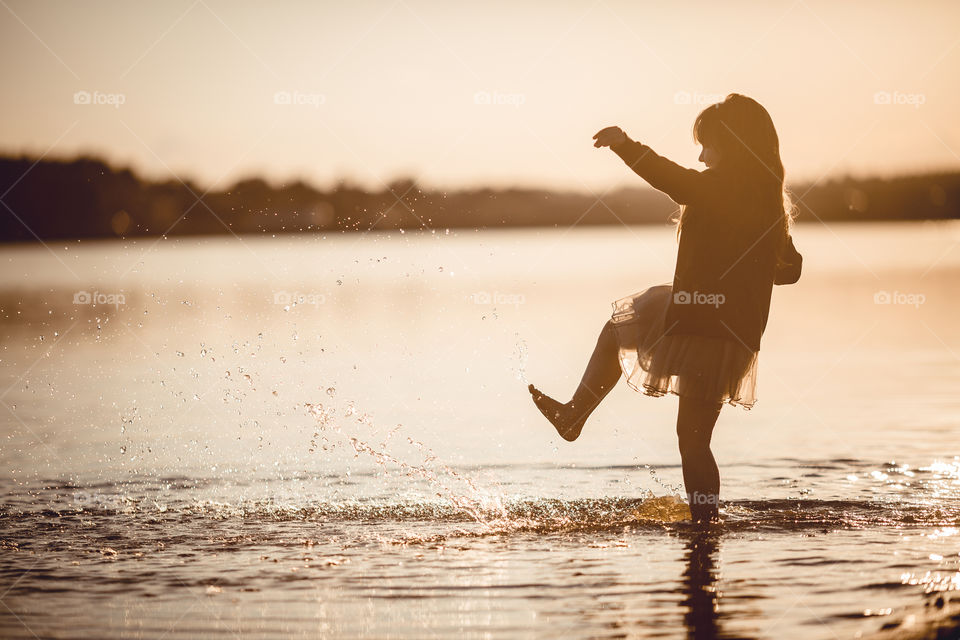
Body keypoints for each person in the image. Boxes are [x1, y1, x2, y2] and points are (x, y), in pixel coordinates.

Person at [528, 93, 803, 523]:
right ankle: (702, 525)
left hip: (704, 325)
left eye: (706, 143)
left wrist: (624, 144)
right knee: (689, 435)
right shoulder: (767, 200)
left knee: (689, 438)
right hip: (727, 328)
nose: (700, 154)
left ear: (731, 143)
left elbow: (670, 178)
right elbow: (790, 271)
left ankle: (703, 525)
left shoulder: (718, 187)